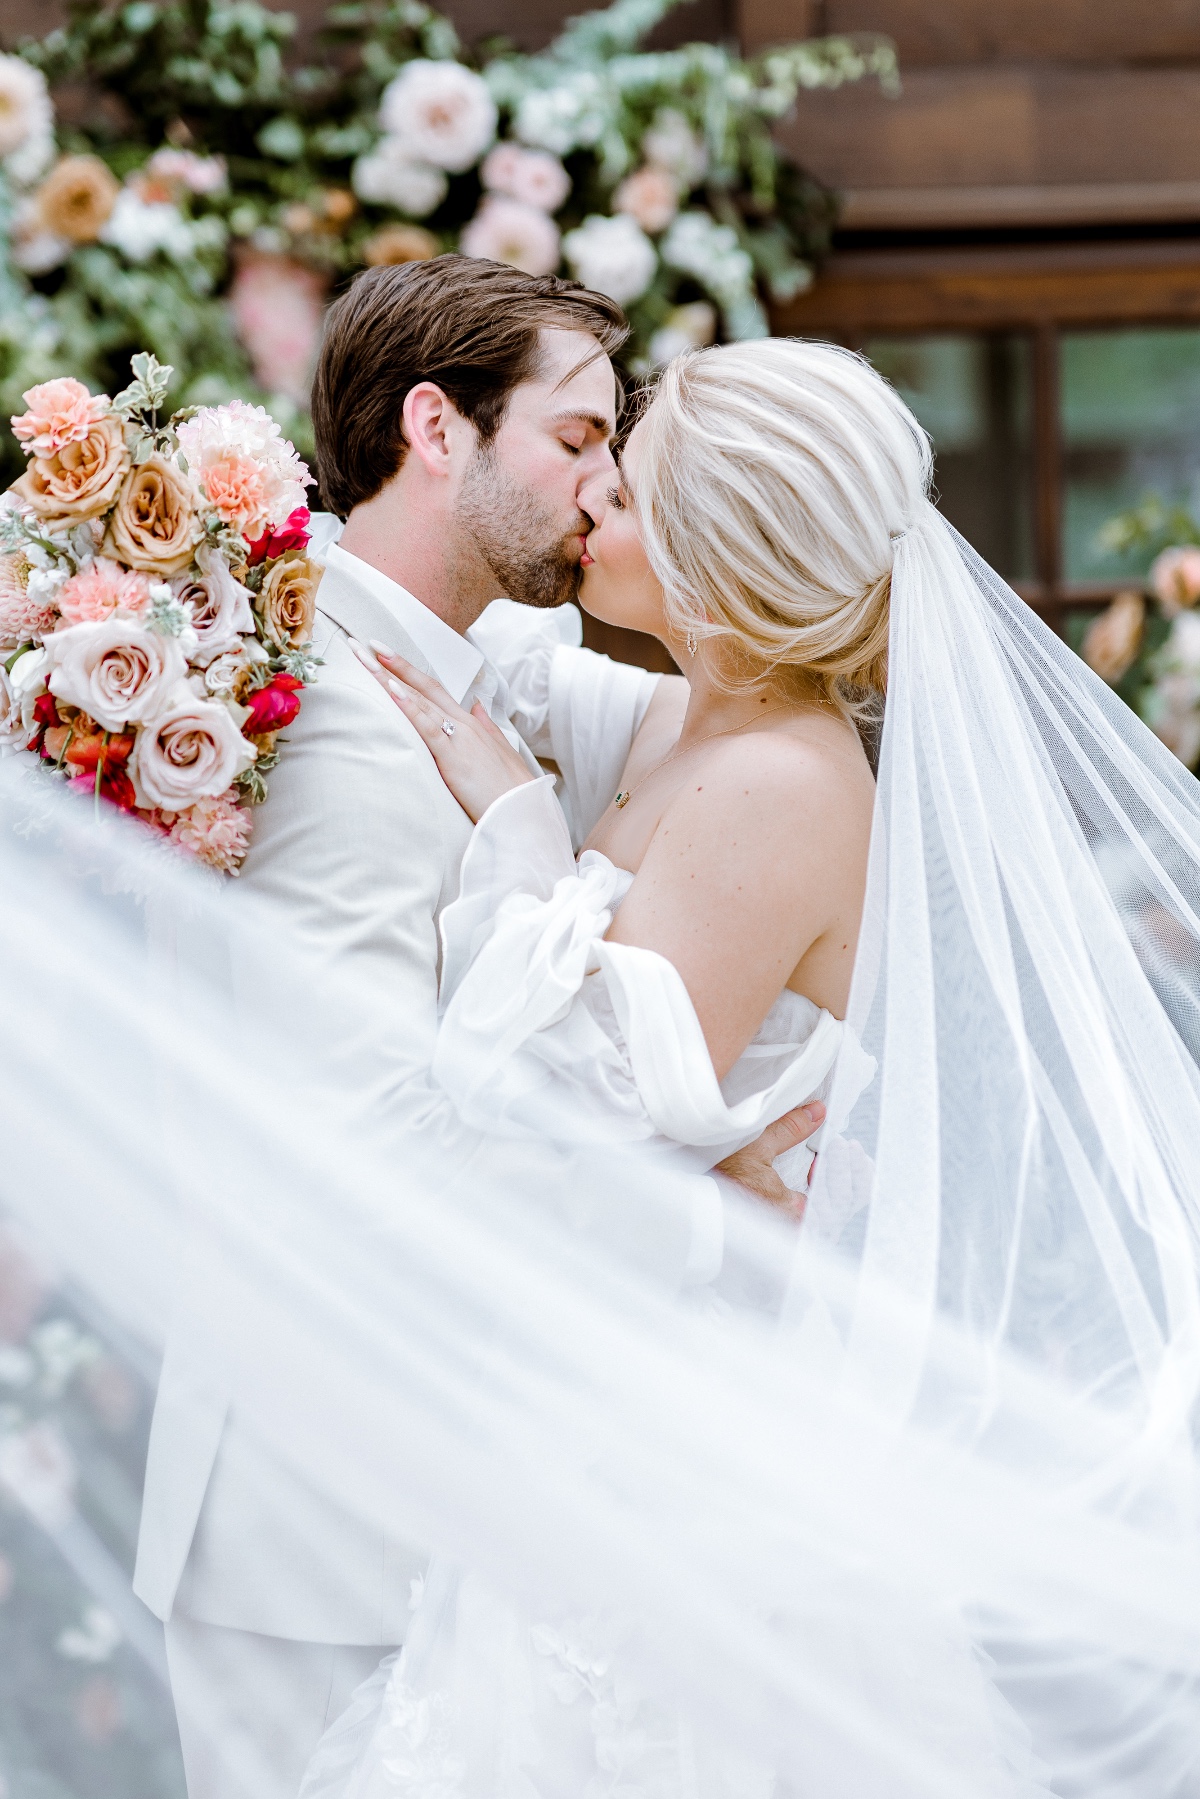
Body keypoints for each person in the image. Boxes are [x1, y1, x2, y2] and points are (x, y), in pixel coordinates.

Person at [301, 332, 1200, 1797]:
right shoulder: (696, 727)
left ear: (720, 561)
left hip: (695, 1477)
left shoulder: (774, 781)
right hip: (631, 1429)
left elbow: (560, 1115)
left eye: (630, 493)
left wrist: (520, 829)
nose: (590, 505)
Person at [132, 257, 818, 1799]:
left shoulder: (461, 665)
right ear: (435, 429)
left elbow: (728, 712)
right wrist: (711, 1202)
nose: (603, 485)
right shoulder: (323, 715)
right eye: (580, 442)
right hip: (324, 1540)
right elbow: (359, 1157)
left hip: (455, 1516)